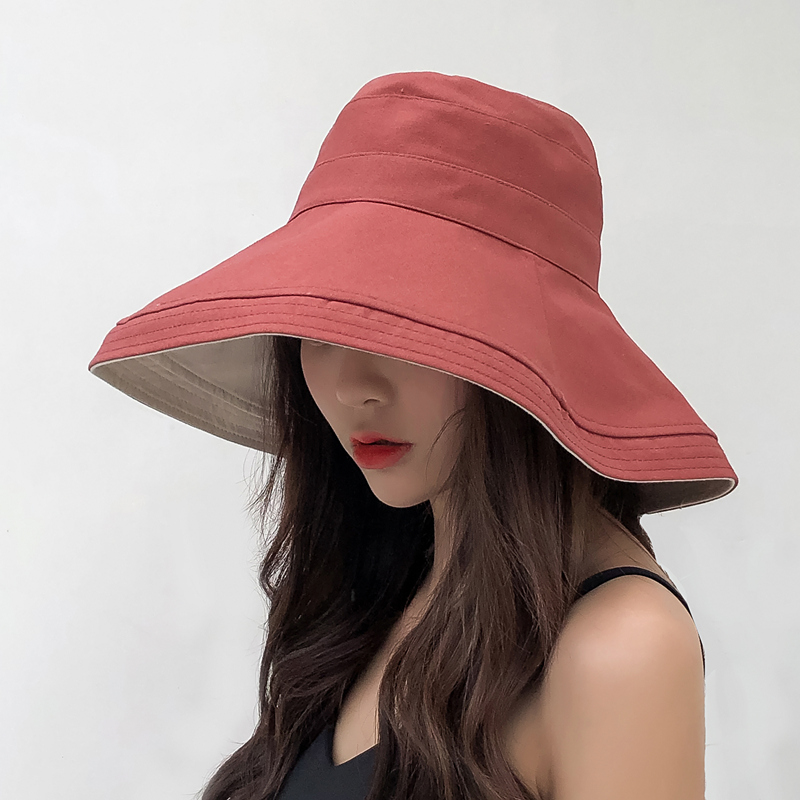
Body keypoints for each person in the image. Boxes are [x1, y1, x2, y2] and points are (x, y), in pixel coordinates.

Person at [88, 71, 738, 800]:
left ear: (528, 352)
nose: (352, 386)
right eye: (322, 331)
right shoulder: (387, 585)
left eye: (409, 334)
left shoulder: (619, 647)